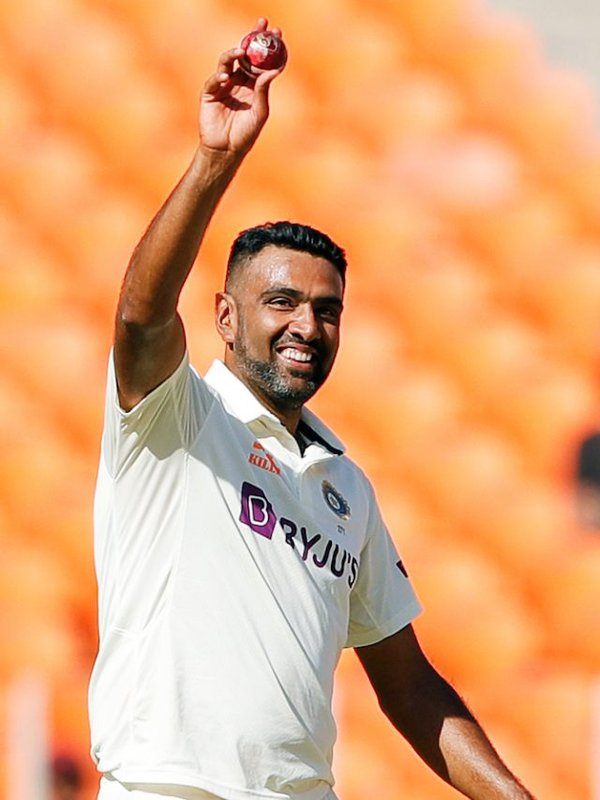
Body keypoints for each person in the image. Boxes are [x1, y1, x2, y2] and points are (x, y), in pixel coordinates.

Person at [89, 17, 537, 800]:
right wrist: (214, 160)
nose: (307, 325)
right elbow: (139, 318)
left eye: (327, 310)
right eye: (282, 302)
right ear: (226, 317)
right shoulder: (176, 422)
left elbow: (410, 687)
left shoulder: (347, 490)